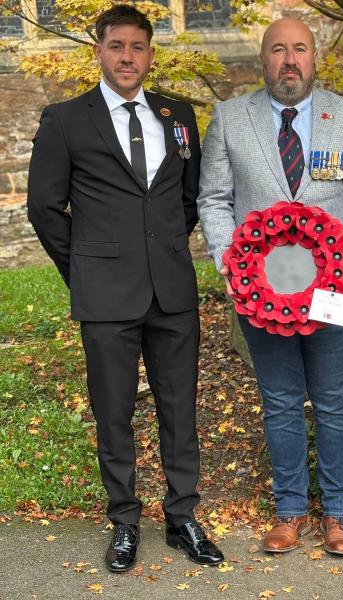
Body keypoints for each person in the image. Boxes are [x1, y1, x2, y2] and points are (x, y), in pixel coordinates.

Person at [27, 4, 224, 573]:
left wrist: (161, 250)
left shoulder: (177, 113)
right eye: (117, 46)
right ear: (99, 52)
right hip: (105, 294)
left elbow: (189, 194)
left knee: (179, 408)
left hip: (172, 291)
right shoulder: (65, 120)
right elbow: (44, 206)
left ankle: (183, 515)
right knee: (114, 413)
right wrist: (86, 268)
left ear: (150, 54)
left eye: (138, 48)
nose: (127, 57)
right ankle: (125, 521)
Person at [198, 18, 343, 556]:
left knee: (332, 401)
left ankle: (340, 516)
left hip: (331, 290)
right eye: (278, 49)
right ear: (263, 58)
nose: (289, 60)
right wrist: (230, 265)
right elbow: (213, 199)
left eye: (299, 48)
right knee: (279, 401)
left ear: (315, 57)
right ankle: (289, 511)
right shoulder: (230, 119)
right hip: (262, 294)